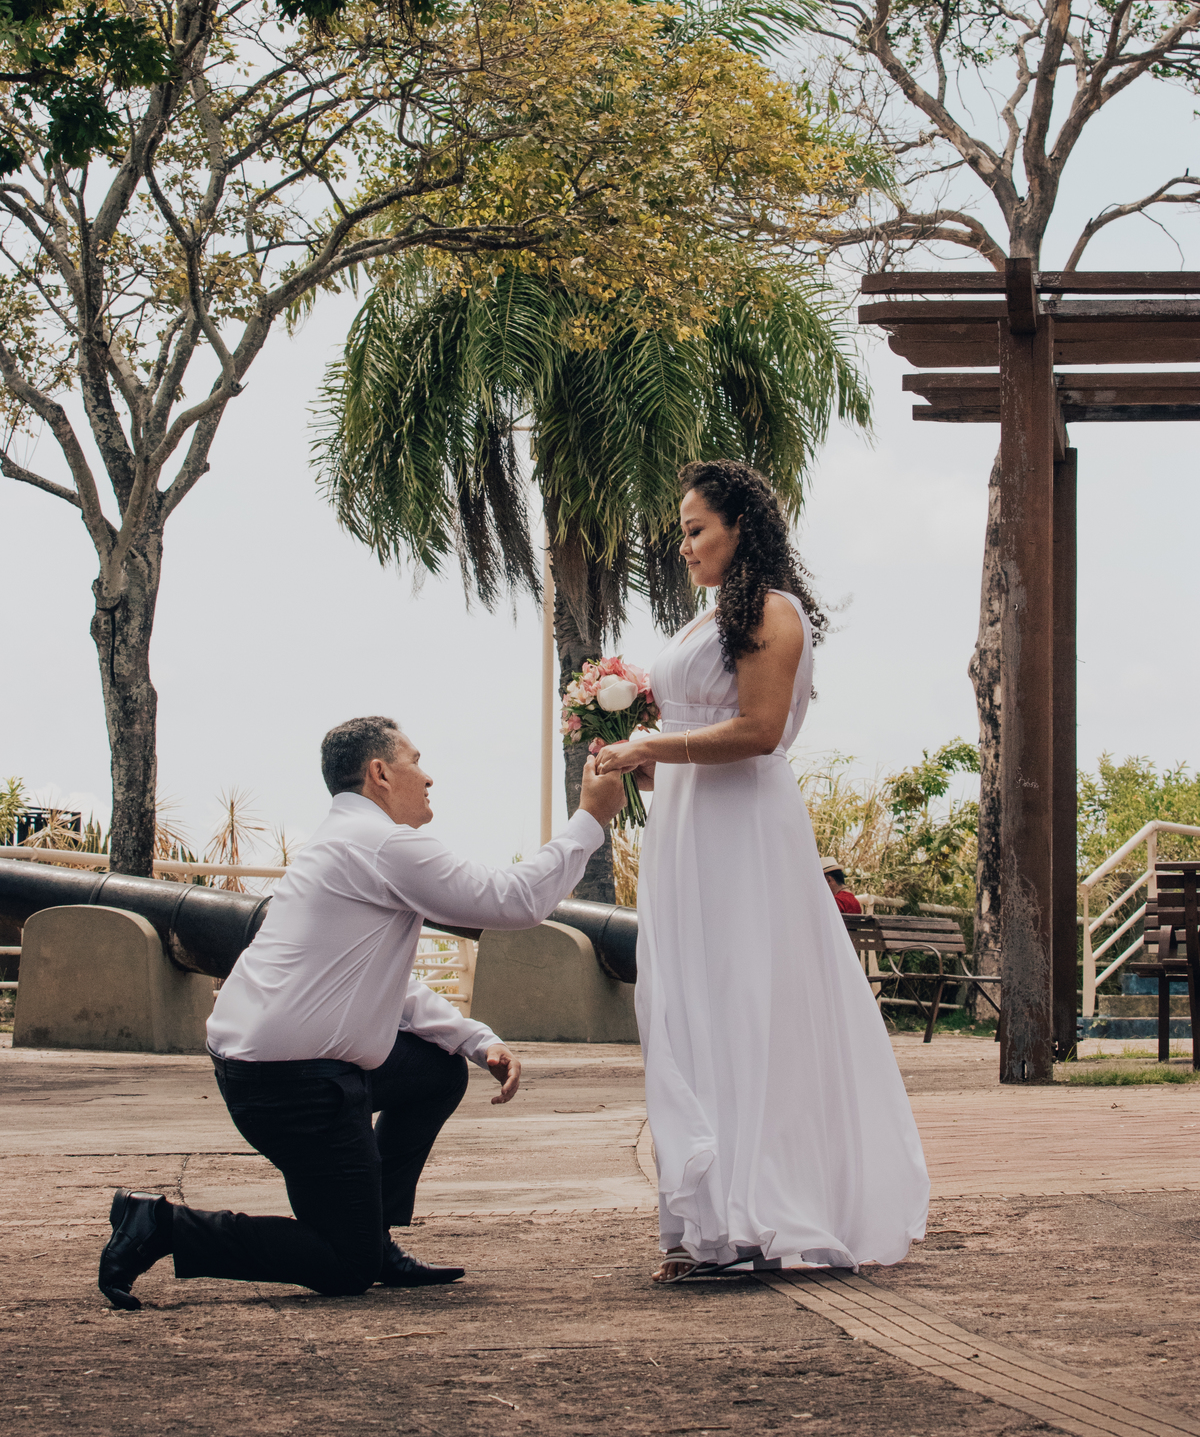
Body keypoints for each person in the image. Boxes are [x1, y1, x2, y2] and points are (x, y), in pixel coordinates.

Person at [99, 715, 627, 1311]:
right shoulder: (382, 844)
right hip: (293, 1085)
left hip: (280, 1069)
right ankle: (162, 1226)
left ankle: (373, 1234)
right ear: (379, 773)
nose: (428, 778)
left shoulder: (347, 841)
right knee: (344, 1265)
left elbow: (372, 982)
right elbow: (515, 900)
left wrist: (475, 1040)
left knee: (437, 1070)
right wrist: (590, 820)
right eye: (415, 762)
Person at [595, 460, 929, 1282]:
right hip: (687, 826)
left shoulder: (772, 612)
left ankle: (759, 1212)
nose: (684, 546)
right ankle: (707, 1219)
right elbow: (698, 729)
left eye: (695, 530)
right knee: (691, 1005)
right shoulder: (705, 618)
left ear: (740, 527)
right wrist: (645, 764)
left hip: (742, 830)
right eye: (681, 532)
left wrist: (651, 744)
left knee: (747, 1002)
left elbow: (759, 730)